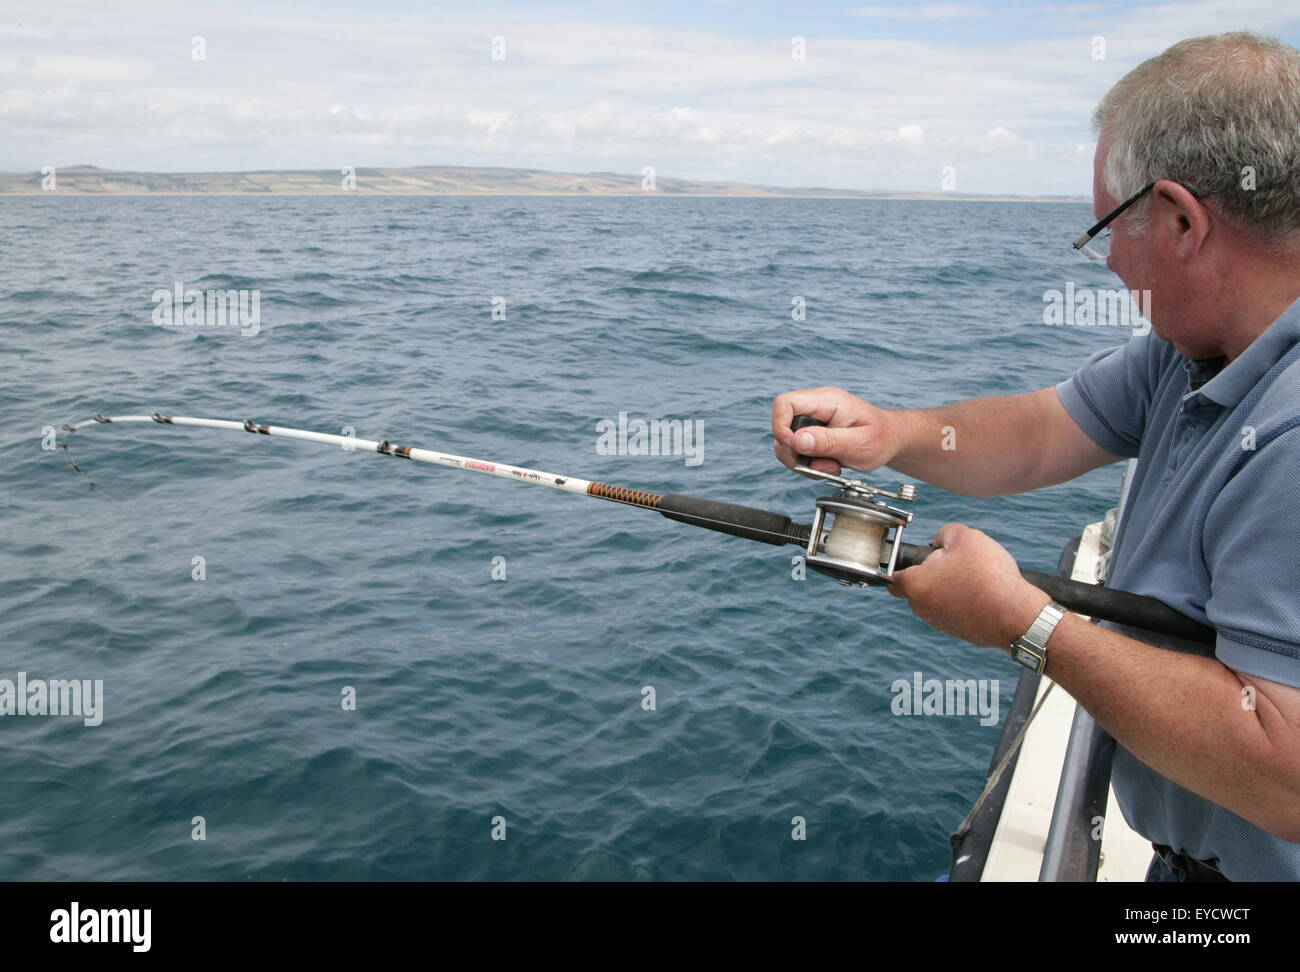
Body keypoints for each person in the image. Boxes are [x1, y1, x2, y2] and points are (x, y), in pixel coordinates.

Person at [772, 31, 1300, 881]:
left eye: (1110, 226)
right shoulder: (1195, 347)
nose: (1108, 259)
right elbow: (1044, 431)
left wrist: (1025, 626)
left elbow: (1286, 773)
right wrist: (894, 435)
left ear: (1180, 220)